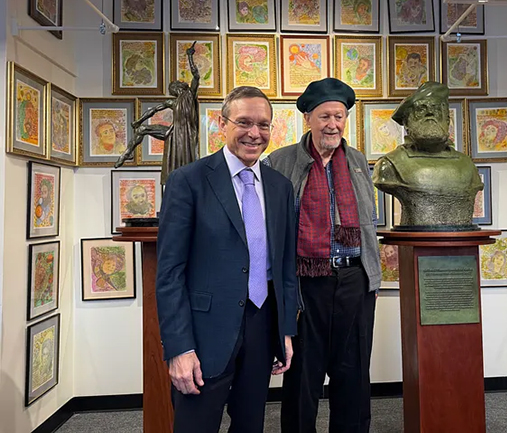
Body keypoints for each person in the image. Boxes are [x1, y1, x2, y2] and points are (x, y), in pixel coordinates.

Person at [156, 86, 299, 433]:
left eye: (263, 124)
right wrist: (179, 348)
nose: (254, 133)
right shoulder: (188, 181)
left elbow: (284, 266)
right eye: (244, 122)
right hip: (205, 334)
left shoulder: (280, 187)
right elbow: (170, 273)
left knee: (251, 425)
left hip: (262, 326)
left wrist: (286, 331)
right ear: (222, 124)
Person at [265, 77, 381, 433]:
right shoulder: (280, 161)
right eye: (325, 116)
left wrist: (371, 278)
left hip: (354, 280)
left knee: (354, 373)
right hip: (305, 283)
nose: (333, 124)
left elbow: (367, 222)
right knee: (303, 374)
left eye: (339, 116)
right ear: (308, 119)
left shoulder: (357, 161)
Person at [373, 82, 483, 228]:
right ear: (406, 122)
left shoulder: (467, 164)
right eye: (421, 109)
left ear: (447, 120)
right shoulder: (390, 164)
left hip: (461, 239)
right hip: (414, 238)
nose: (430, 113)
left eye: (436, 109)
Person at [115, 43, 200, 184]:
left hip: (184, 135)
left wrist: (190, 57)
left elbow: (196, 76)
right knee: (142, 129)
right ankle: (127, 154)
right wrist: (138, 122)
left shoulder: (188, 96)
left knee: (142, 129)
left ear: (177, 88)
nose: (172, 90)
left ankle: (127, 153)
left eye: (172, 88)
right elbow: (154, 109)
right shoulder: (175, 101)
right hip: (173, 132)